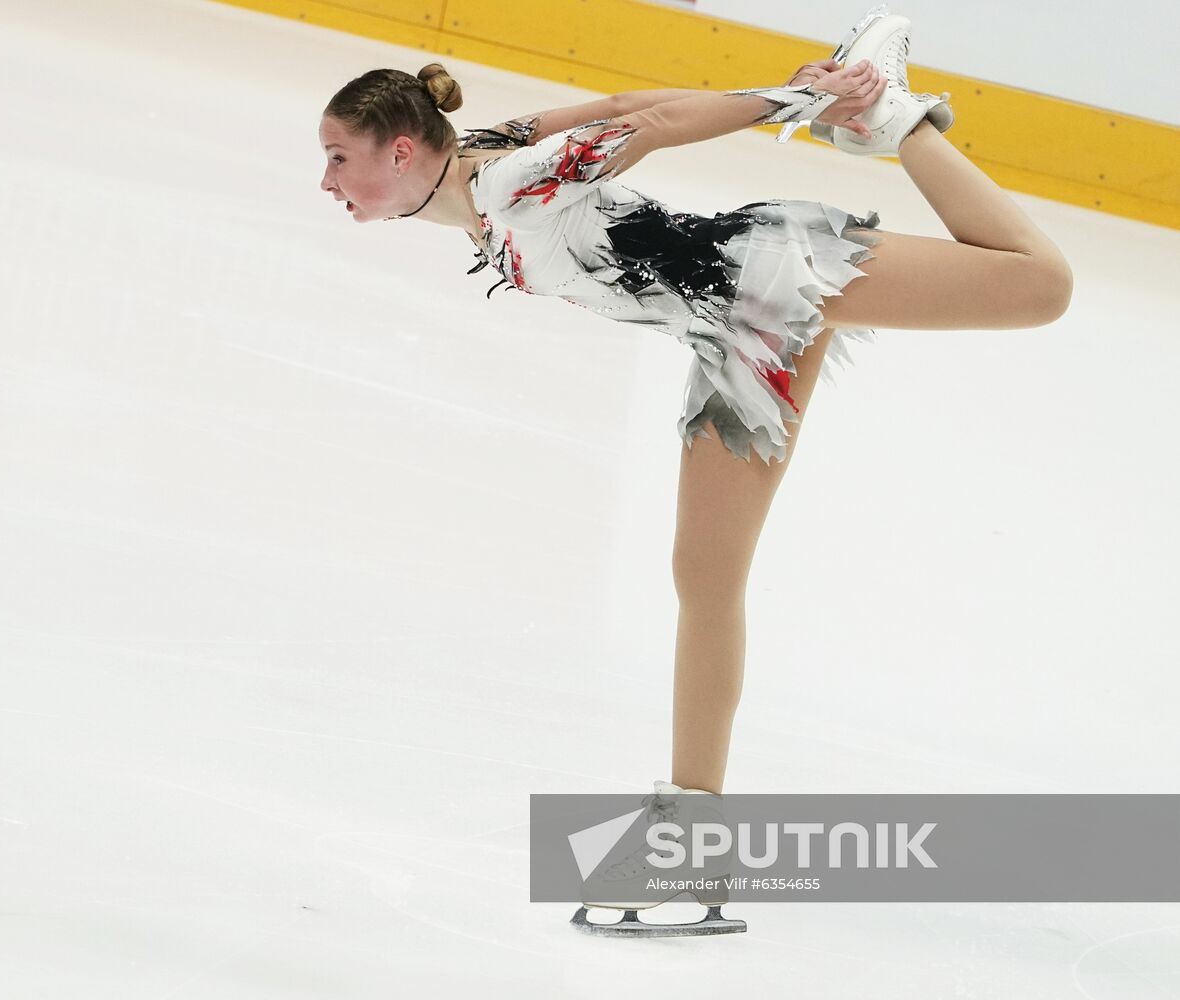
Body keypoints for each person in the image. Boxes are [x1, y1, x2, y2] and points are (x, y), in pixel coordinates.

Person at [317, 5, 1073, 936]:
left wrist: (799, 99)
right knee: (704, 576)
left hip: (767, 274)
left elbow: (649, 127)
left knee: (1040, 285)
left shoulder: (514, 177)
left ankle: (896, 121)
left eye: (338, 158)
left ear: (398, 154)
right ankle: (690, 847)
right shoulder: (482, 150)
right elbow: (629, 100)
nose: (327, 180)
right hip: (731, 333)